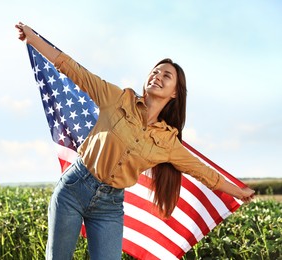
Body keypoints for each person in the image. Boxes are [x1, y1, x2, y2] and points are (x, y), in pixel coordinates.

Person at [15, 22, 255, 260]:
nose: (157, 76)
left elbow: (203, 172)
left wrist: (239, 191)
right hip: (73, 190)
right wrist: (33, 38)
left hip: (109, 208)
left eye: (166, 75)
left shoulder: (168, 142)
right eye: (155, 71)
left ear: (174, 93)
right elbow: (73, 69)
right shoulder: (117, 98)